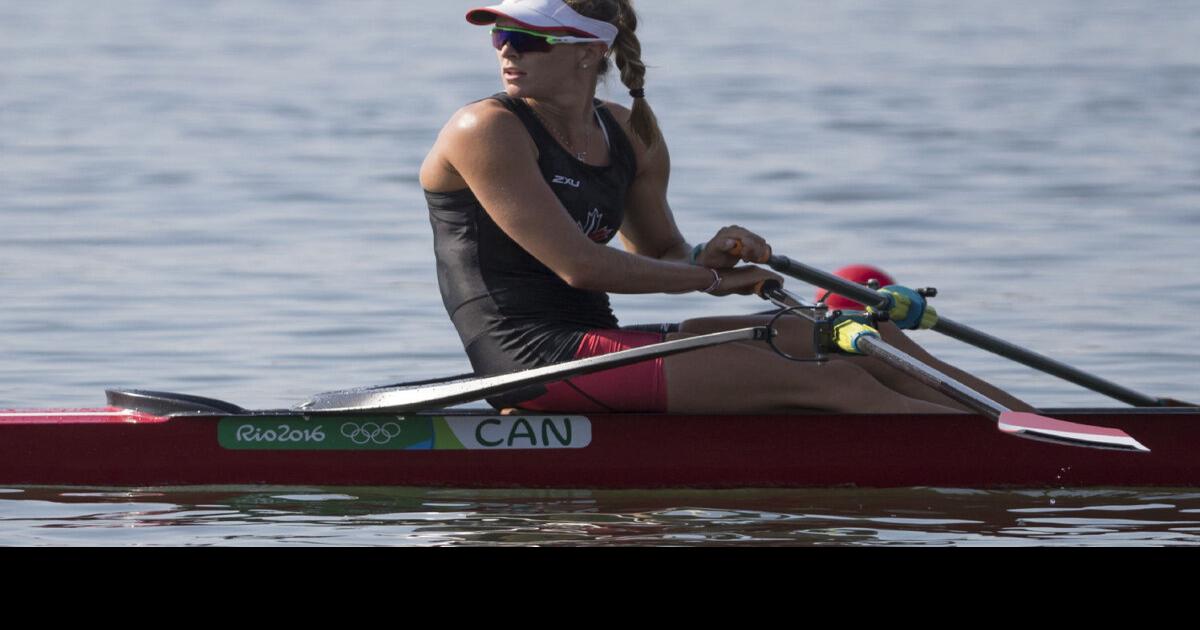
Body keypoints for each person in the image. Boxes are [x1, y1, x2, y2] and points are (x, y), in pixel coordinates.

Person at [420, 0, 1031, 414]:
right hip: (532, 361)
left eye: (527, 39)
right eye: (501, 36)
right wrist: (712, 281)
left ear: (588, 51)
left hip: (600, 341)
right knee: (841, 382)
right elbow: (580, 267)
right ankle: (1015, 459)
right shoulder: (486, 129)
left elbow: (659, 252)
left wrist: (704, 257)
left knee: (863, 337)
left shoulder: (629, 133)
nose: (507, 51)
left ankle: (1044, 429)